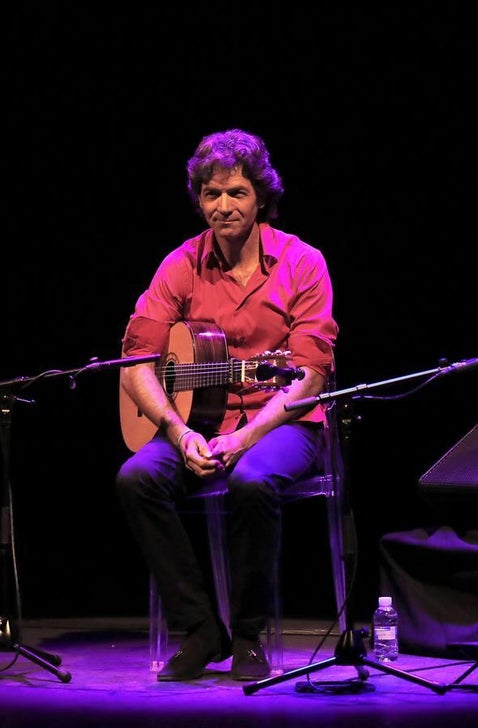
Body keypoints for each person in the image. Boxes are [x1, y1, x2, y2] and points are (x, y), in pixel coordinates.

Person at [115, 128, 338, 682]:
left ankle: (247, 635)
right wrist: (175, 429)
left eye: (236, 193)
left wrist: (245, 437)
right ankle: (200, 628)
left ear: (261, 196)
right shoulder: (180, 264)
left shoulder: (303, 262)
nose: (223, 206)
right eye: (211, 195)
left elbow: (309, 374)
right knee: (135, 479)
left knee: (253, 482)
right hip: (197, 423)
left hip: (283, 423)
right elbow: (136, 358)